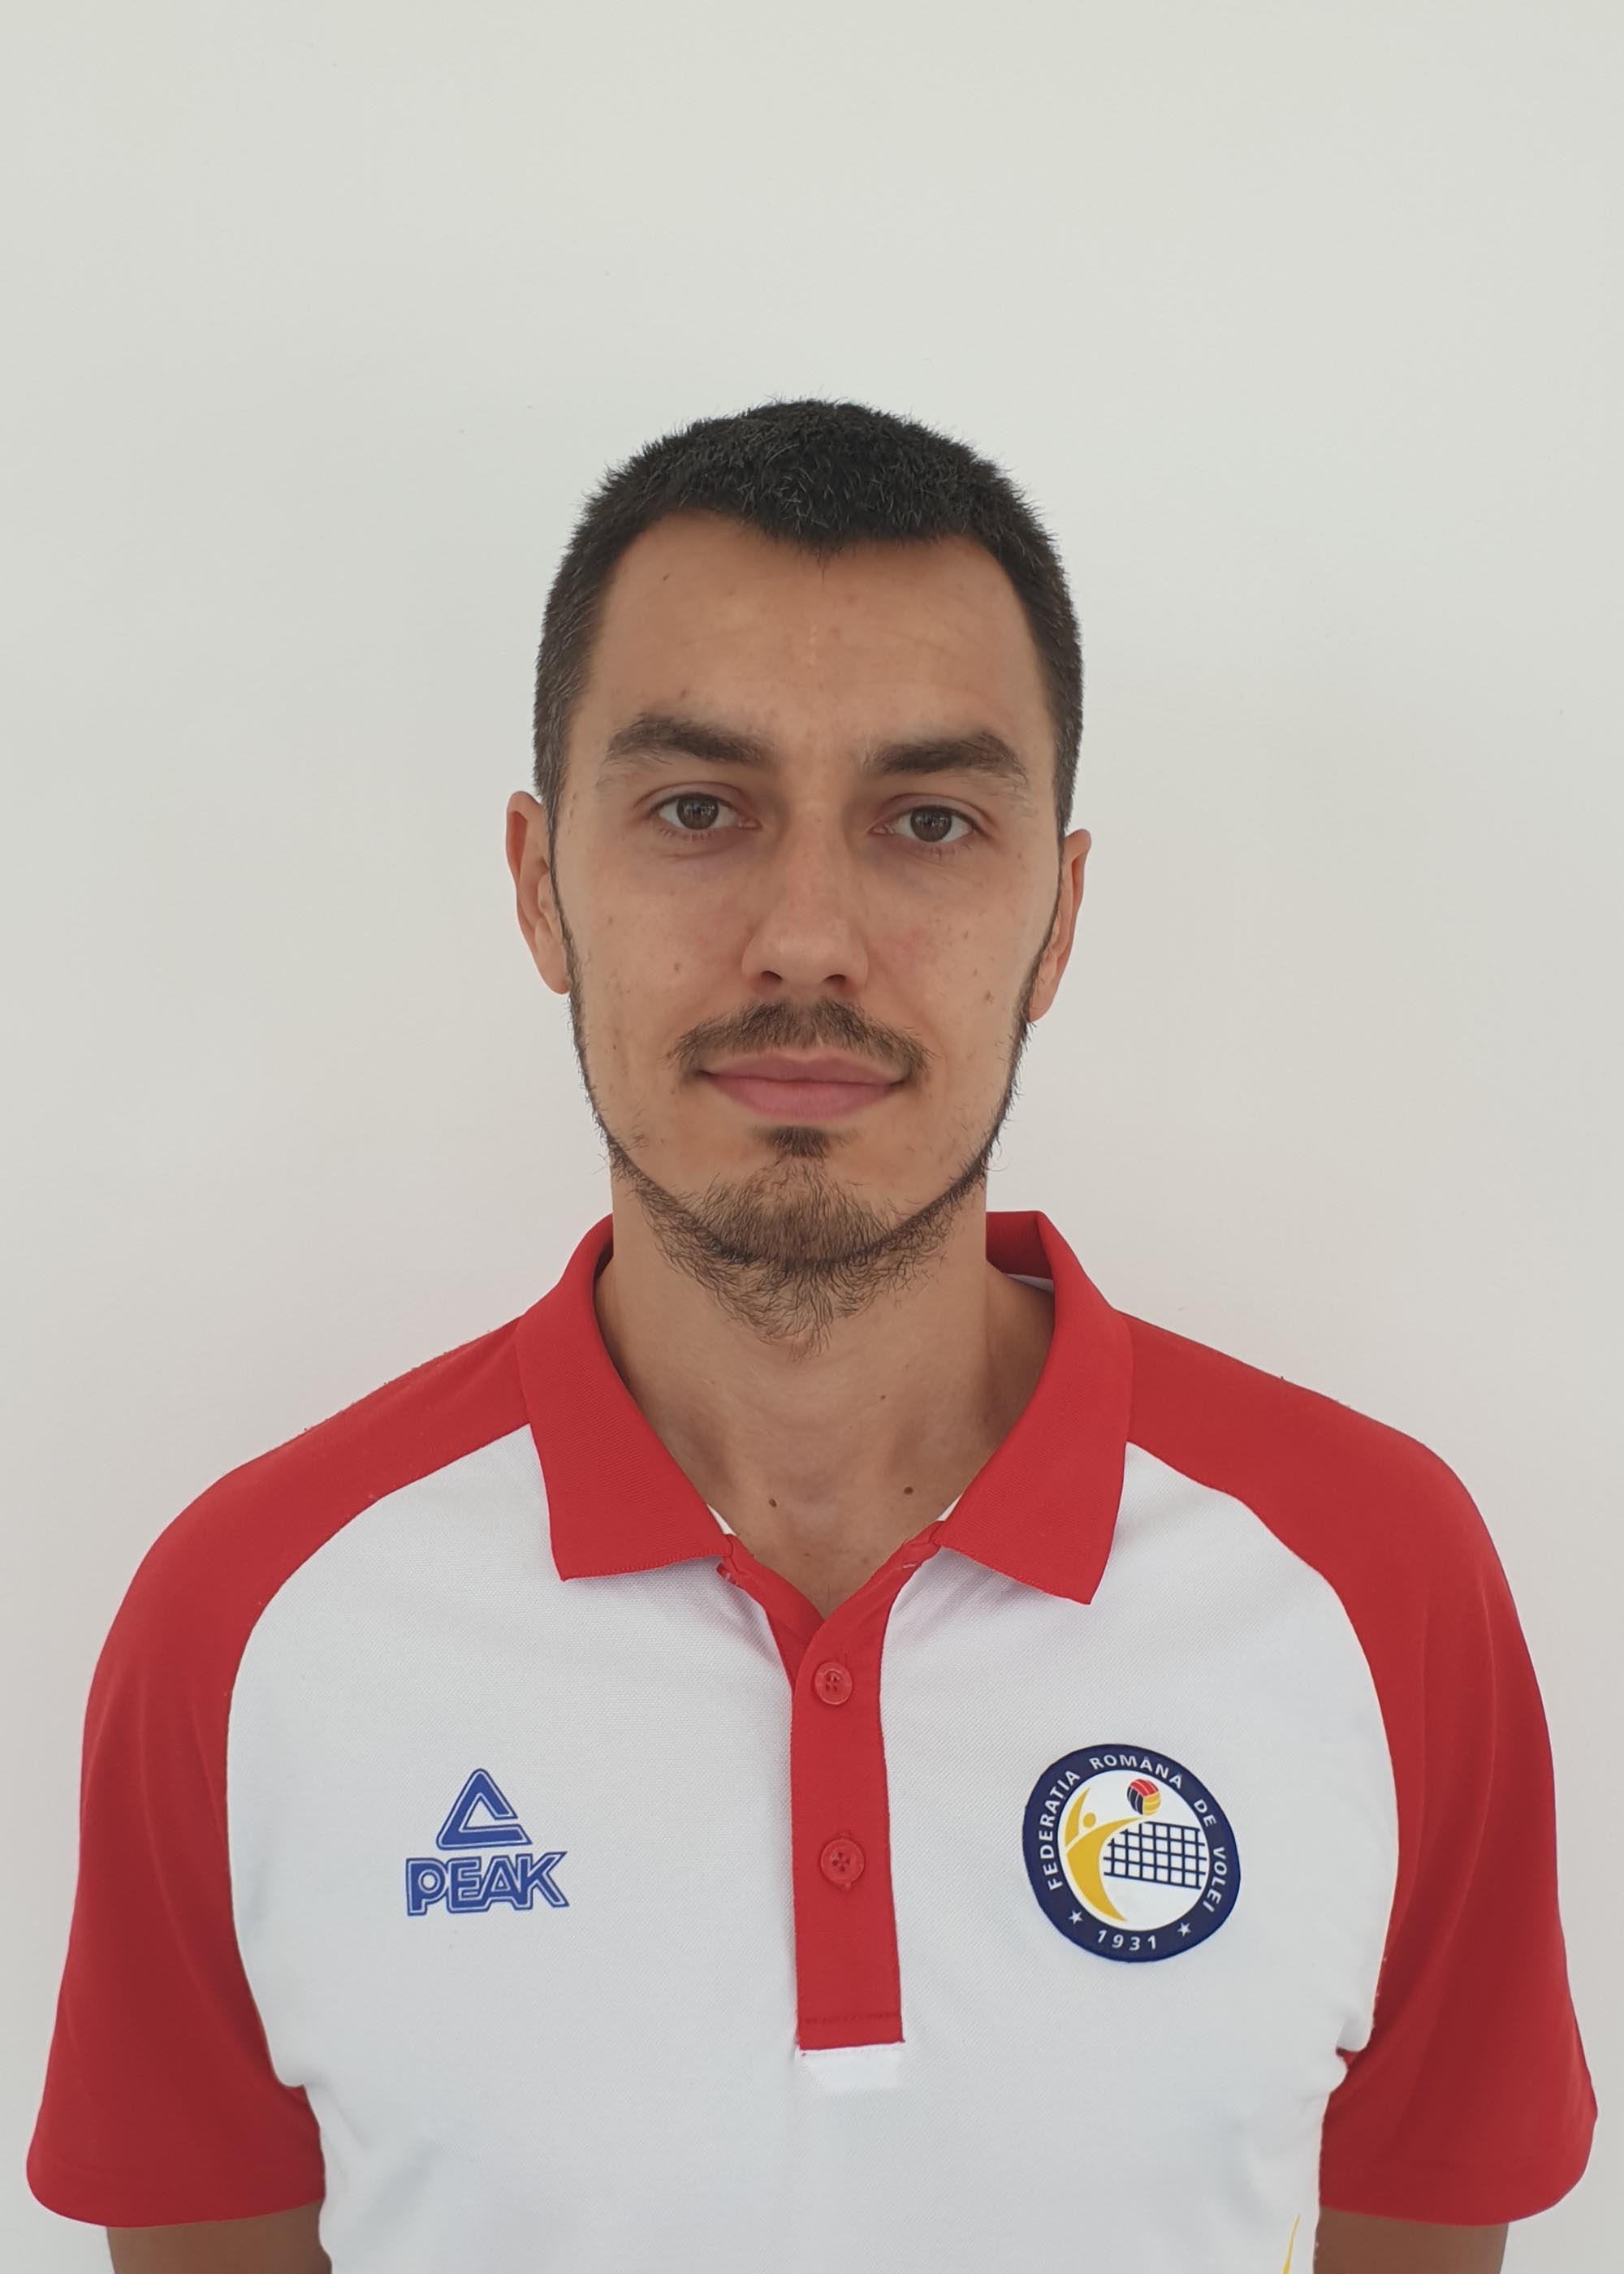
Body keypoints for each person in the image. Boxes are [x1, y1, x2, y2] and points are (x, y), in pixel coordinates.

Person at [28, 399, 1595, 2273]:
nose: (805, 935)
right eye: (699, 809)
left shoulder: (1380, 1575)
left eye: (928, 820)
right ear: (538, 884)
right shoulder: (243, 1621)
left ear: (1057, 917)